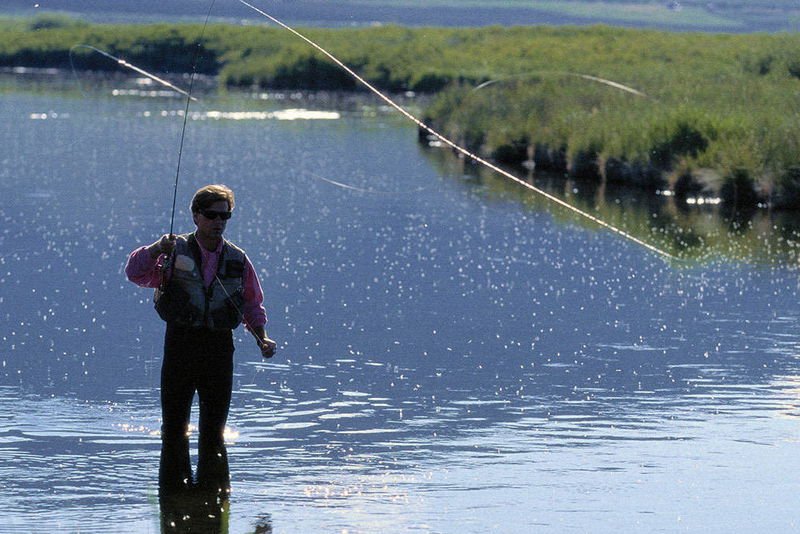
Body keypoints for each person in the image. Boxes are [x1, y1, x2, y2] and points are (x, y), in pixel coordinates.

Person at [125, 184, 276, 497]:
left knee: (213, 434)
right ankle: (176, 504)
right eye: (212, 215)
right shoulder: (172, 250)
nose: (219, 221)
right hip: (180, 345)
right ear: (196, 216)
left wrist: (262, 338)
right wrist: (155, 249)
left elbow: (251, 304)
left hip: (219, 350)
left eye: (225, 216)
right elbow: (135, 273)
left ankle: (213, 501)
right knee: (174, 431)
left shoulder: (238, 258)